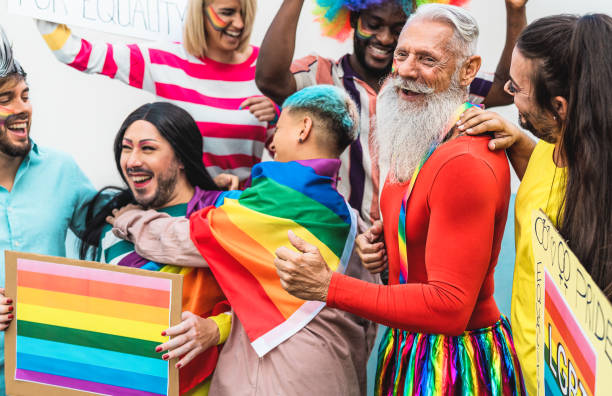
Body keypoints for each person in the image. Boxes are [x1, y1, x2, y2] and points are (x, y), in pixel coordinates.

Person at [273, 5, 525, 395]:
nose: (406, 69)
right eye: (403, 55)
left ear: (468, 69)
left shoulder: (464, 160)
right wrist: (390, 242)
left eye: (428, 59)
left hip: (454, 368)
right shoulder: (422, 129)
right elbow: (423, 227)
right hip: (410, 347)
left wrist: (328, 287)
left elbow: (449, 307)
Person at [108, 85, 378, 395]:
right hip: (338, 376)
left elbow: (181, 239)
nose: (271, 140)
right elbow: (367, 318)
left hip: (278, 378)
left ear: (303, 129)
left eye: (278, 127)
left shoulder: (271, 203)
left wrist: (129, 218)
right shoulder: (353, 219)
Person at [256, 0, 528, 225]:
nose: (384, 38)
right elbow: (270, 79)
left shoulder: (426, 82)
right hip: (342, 238)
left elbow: (505, 89)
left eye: (397, 29)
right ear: (352, 20)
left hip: (408, 245)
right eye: (372, 25)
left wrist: (515, 11)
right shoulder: (324, 74)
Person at [455, 13, 612, 394]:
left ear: (559, 107)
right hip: (525, 374)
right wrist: (520, 140)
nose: (507, 94)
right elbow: (550, 187)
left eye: (516, 87)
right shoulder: (551, 151)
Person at [78, 102, 231, 395]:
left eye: (147, 148)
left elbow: (264, 301)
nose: (132, 160)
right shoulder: (113, 227)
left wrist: (216, 329)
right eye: (126, 148)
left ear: (181, 157)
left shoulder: (221, 211)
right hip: (127, 383)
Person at [37, 0, 277, 185]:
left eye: (244, 13)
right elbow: (74, 53)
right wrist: (35, 8)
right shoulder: (164, 61)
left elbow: (292, 152)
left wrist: (278, 116)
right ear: (199, 11)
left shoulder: (265, 69)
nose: (239, 24)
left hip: (243, 215)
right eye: (227, 12)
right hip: (182, 218)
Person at [0, 27, 97, 395]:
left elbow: (114, 232)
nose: (22, 107)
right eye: (6, 98)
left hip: (50, 373)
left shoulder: (62, 170)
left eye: (24, 96)